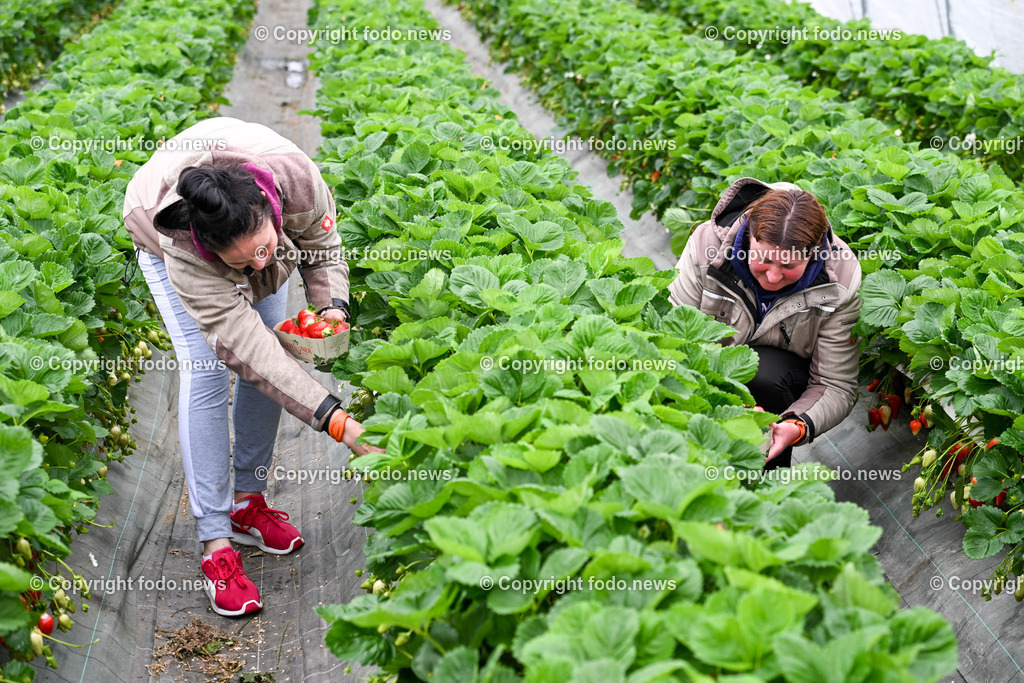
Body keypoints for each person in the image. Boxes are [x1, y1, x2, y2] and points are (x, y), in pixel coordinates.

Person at [122, 117, 383, 617]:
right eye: (244, 263)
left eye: (264, 249)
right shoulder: (186, 251)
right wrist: (337, 420)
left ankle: (249, 501)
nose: (261, 268)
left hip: (245, 189)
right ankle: (216, 542)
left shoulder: (298, 180)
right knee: (209, 372)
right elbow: (252, 353)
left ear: (271, 207)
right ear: (216, 252)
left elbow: (322, 248)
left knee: (274, 352)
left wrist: (331, 308)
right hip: (155, 227)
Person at [668, 178, 862, 470]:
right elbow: (672, 337)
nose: (773, 276)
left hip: (778, 387)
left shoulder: (840, 282)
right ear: (749, 238)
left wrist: (795, 426)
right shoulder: (707, 245)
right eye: (765, 260)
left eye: (788, 266)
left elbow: (836, 384)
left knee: (766, 374)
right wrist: (724, 395)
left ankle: (766, 480)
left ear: (812, 255)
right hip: (709, 370)